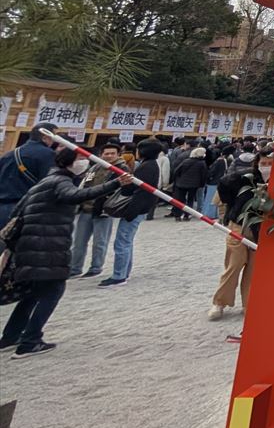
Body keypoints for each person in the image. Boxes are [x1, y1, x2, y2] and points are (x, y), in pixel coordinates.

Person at [0, 145, 132, 355]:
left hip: (31, 243)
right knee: (54, 290)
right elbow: (75, 196)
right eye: (80, 158)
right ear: (70, 160)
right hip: (47, 244)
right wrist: (115, 183)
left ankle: (11, 336)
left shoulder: (45, 181)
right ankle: (30, 341)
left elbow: (18, 210)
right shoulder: (61, 181)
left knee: (33, 292)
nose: (84, 162)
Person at [207, 151, 268, 320]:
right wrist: (233, 205)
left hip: (261, 229)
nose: (267, 167)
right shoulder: (245, 176)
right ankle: (219, 302)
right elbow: (224, 184)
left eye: (271, 163)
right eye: (264, 163)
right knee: (234, 265)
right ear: (257, 163)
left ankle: (249, 304)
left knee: (254, 270)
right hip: (239, 226)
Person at [100, 138, 162, 287]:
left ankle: (119, 275)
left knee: (122, 241)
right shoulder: (150, 165)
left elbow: (140, 192)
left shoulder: (146, 167)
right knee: (126, 241)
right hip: (139, 208)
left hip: (136, 208)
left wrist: (131, 211)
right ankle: (123, 272)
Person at [68, 142, 127, 277]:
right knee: (79, 241)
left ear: (118, 155)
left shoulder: (122, 169)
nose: (109, 156)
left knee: (100, 242)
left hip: (104, 210)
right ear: (101, 154)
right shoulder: (94, 167)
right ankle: (75, 267)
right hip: (86, 208)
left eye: (113, 153)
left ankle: (96, 267)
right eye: (107, 153)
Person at [0, 124, 60, 229]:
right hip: (26, 208)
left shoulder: (9, 154)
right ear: (45, 137)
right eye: (54, 136)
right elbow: (48, 183)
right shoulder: (47, 154)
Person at [171, 146, 208, 220]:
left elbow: (176, 171)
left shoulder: (186, 161)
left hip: (181, 183)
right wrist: (202, 184)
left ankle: (178, 215)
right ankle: (187, 215)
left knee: (180, 199)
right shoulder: (202, 163)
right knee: (190, 200)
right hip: (194, 184)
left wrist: (177, 179)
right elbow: (203, 175)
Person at [202, 145, 235, 218]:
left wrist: (208, 177)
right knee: (217, 199)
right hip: (221, 182)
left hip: (213, 182)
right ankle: (214, 214)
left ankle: (209, 214)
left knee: (210, 199)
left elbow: (212, 172)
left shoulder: (219, 161)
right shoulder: (229, 161)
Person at [146, 139, 172, 221]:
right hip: (158, 181)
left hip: (148, 180)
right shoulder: (164, 159)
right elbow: (165, 172)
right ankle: (149, 215)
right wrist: (165, 184)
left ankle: (145, 214)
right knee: (153, 199)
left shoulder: (150, 156)